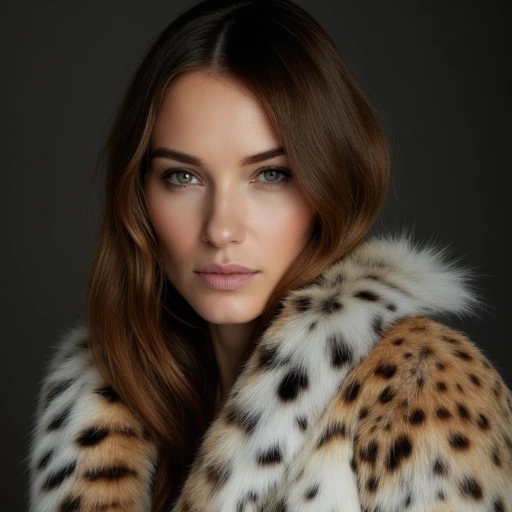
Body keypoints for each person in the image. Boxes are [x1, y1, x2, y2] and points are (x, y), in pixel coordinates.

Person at [27, 0, 512, 510]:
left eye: (270, 175)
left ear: (329, 184)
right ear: (139, 195)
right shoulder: (93, 405)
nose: (221, 229)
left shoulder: (419, 385)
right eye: (182, 177)